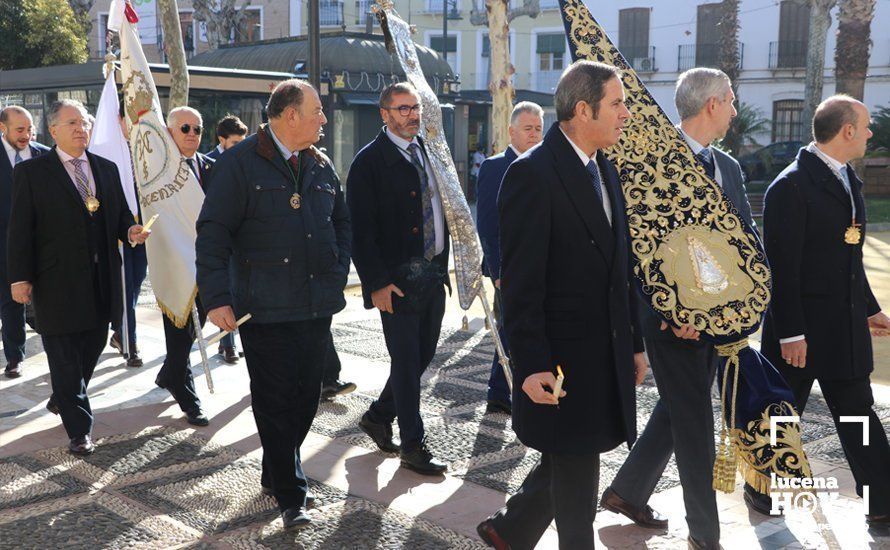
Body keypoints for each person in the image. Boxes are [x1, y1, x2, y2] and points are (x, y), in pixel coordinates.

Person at [476, 61, 648, 550]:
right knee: (577, 482)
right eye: (616, 104)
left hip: (605, 353)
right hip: (561, 360)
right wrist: (529, 365)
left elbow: (621, 270)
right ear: (581, 109)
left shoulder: (604, 167)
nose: (625, 114)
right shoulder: (532, 175)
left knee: (570, 459)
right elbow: (521, 285)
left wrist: (635, 343)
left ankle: (507, 532)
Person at [599, 68, 753, 549]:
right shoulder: (652, 165)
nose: (733, 109)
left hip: (718, 324)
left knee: (678, 408)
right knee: (695, 426)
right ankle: (706, 536)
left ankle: (626, 491)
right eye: (730, 101)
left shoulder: (728, 167)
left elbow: (744, 244)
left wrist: (734, 311)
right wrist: (672, 313)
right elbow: (637, 251)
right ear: (712, 104)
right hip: (670, 326)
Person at [197, 79, 350, 530]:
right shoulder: (240, 163)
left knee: (305, 398)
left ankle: (275, 466)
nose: (324, 119)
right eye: (317, 111)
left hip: (314, 304)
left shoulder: (321, 165)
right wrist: (216, 297)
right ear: (289, 116)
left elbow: (342, 222)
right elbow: (214, 232)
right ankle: (291, 492)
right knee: (274, 397)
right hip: (262, 307)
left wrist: (338, 270)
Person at [762, 94, 890, 528]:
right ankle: (761, 490)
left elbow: (848, 256)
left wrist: (870, 309)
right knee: (783, 416)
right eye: (866, 125)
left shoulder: (847, 180)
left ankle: (883, 500)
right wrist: (791, 334)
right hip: (799, 335)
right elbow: (781, 268)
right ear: (847, 131)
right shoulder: (790, 186)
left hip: (844, 329)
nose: (871, 133)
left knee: (858, 411)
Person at [7, 99, 149, 455]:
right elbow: (20, 230)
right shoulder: (32, 173)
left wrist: (131, 231)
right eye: (71, 123)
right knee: (64, 355)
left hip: (101, 280)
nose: (80, 128)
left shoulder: (106, 168)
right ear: (53, 130)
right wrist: (19, 277)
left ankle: (64, 397)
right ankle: (79, 429)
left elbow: (120, 215)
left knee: (93, 346)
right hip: (55, 281)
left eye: (84, 122)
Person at [347, 82, 449, 476]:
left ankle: (377, 416)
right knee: (406, 362)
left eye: (416, 108)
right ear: (384, 114)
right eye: (403, 109)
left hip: (435, 275)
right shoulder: (367, 163)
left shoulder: (431, 152)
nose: (412, 115)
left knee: (420, 358)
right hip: (396, 282)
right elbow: (361, 231)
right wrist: (376, 284)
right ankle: (413, 445)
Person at [148, 106, 215, 427]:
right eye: (185, 128)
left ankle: (169, 372)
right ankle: (186, 392)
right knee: (180, 327)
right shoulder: (155, 173)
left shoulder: (213, 168)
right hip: (172, 261)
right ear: (169, 133)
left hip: (208, 263)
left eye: (197, 129)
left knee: (196, 324)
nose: (192, 135)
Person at [475, 101, 544, 414]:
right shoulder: (494, 166)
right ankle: (501, 390)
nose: (534, 134)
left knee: (516, 327)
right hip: (508, 267)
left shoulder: (543, 164)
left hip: (537, 264)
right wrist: (498, 269)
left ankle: (503, 389)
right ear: (512, 131)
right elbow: (487, 224)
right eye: (528, 129)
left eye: (538, 129)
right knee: (509, 327)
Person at [0, 106, 49, 378]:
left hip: (42, 244)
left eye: (30, 129)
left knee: (46, 298)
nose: (27, 135)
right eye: (20, 130)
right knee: (10, 301)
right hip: (4, 245)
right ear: (2, 128)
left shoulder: (44, 154)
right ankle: (15, 356)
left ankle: (55, 348)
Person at [205, 114, 249, 363]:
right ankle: (228, 344)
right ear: (222, 140)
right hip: (219, 234)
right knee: (225, 291)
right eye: (234, 142)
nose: (240, 146)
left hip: (241, 236)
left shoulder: (246, 159)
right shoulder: (209, 163)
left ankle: (227, 342)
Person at [109, 103, 148, 368]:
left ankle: (121, 330)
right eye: (131, 118)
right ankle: (130, 342)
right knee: (125, 285)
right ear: (119, 119)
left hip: (143, 230)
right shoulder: (109, 149)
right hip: (118, 233)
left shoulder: (145, 148)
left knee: (134, 286)